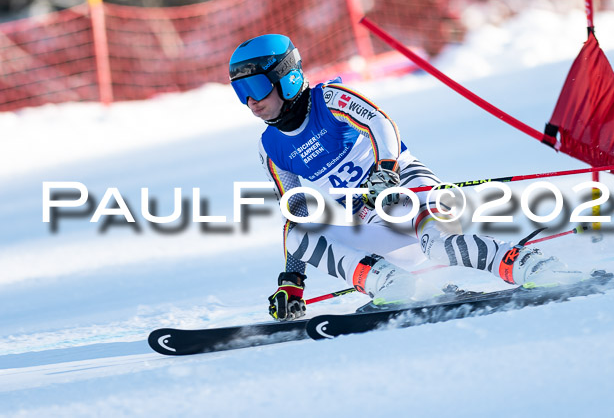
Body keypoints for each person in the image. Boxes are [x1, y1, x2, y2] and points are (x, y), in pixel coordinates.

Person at [229, 34, 578, 321]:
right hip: (373, 226)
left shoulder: (330, 99)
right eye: (240, 92)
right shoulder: (270, 147)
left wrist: (385, 170)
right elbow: (296, 212)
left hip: (411, 191)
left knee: (441, 243)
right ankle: (389, 283)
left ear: (286, 77)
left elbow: (380, 123)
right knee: (299, 231)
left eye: (256, 87)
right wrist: (293, 280)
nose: (251, 102)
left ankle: (536, 266)